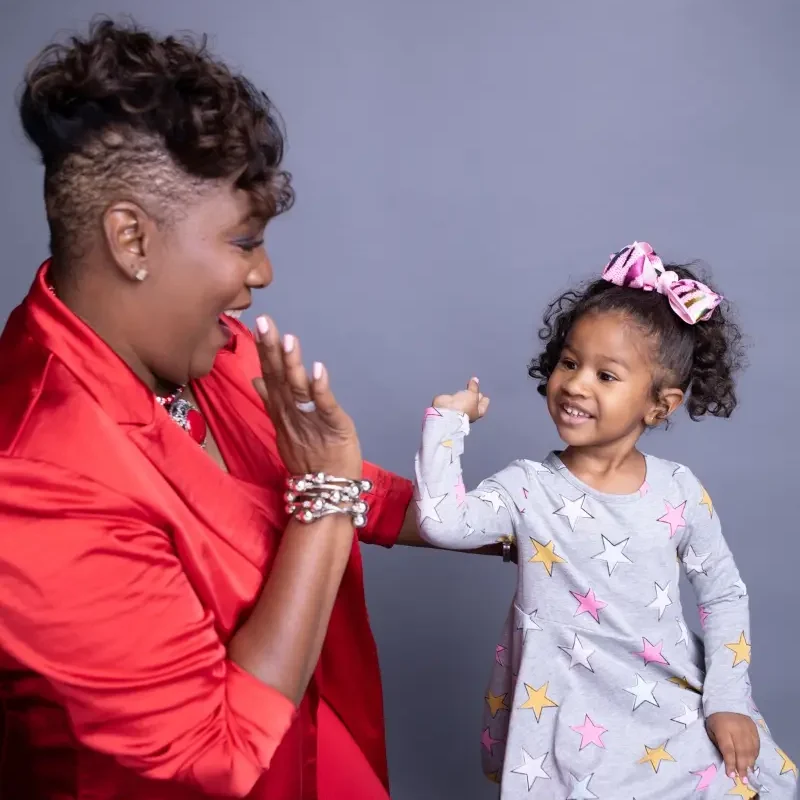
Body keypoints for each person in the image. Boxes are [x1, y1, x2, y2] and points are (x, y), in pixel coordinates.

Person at [0, 19, 504, 800]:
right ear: (131, 238)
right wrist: (325, 505)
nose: (263, 272)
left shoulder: (205, 350)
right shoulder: (34, 479)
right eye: (242, 241)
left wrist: (513, 525)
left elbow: (301, 480)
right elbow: (214, 755)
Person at [414, 242, 798, 798]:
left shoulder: (679, 491)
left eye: (606, 375)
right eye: (570, 363)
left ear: (659, 405)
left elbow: (723, 593)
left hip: (674, 713)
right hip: (574, 730)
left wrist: (728, 700)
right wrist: (448, 422)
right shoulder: (527, 488)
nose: (576, 384)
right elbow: (442, 522)